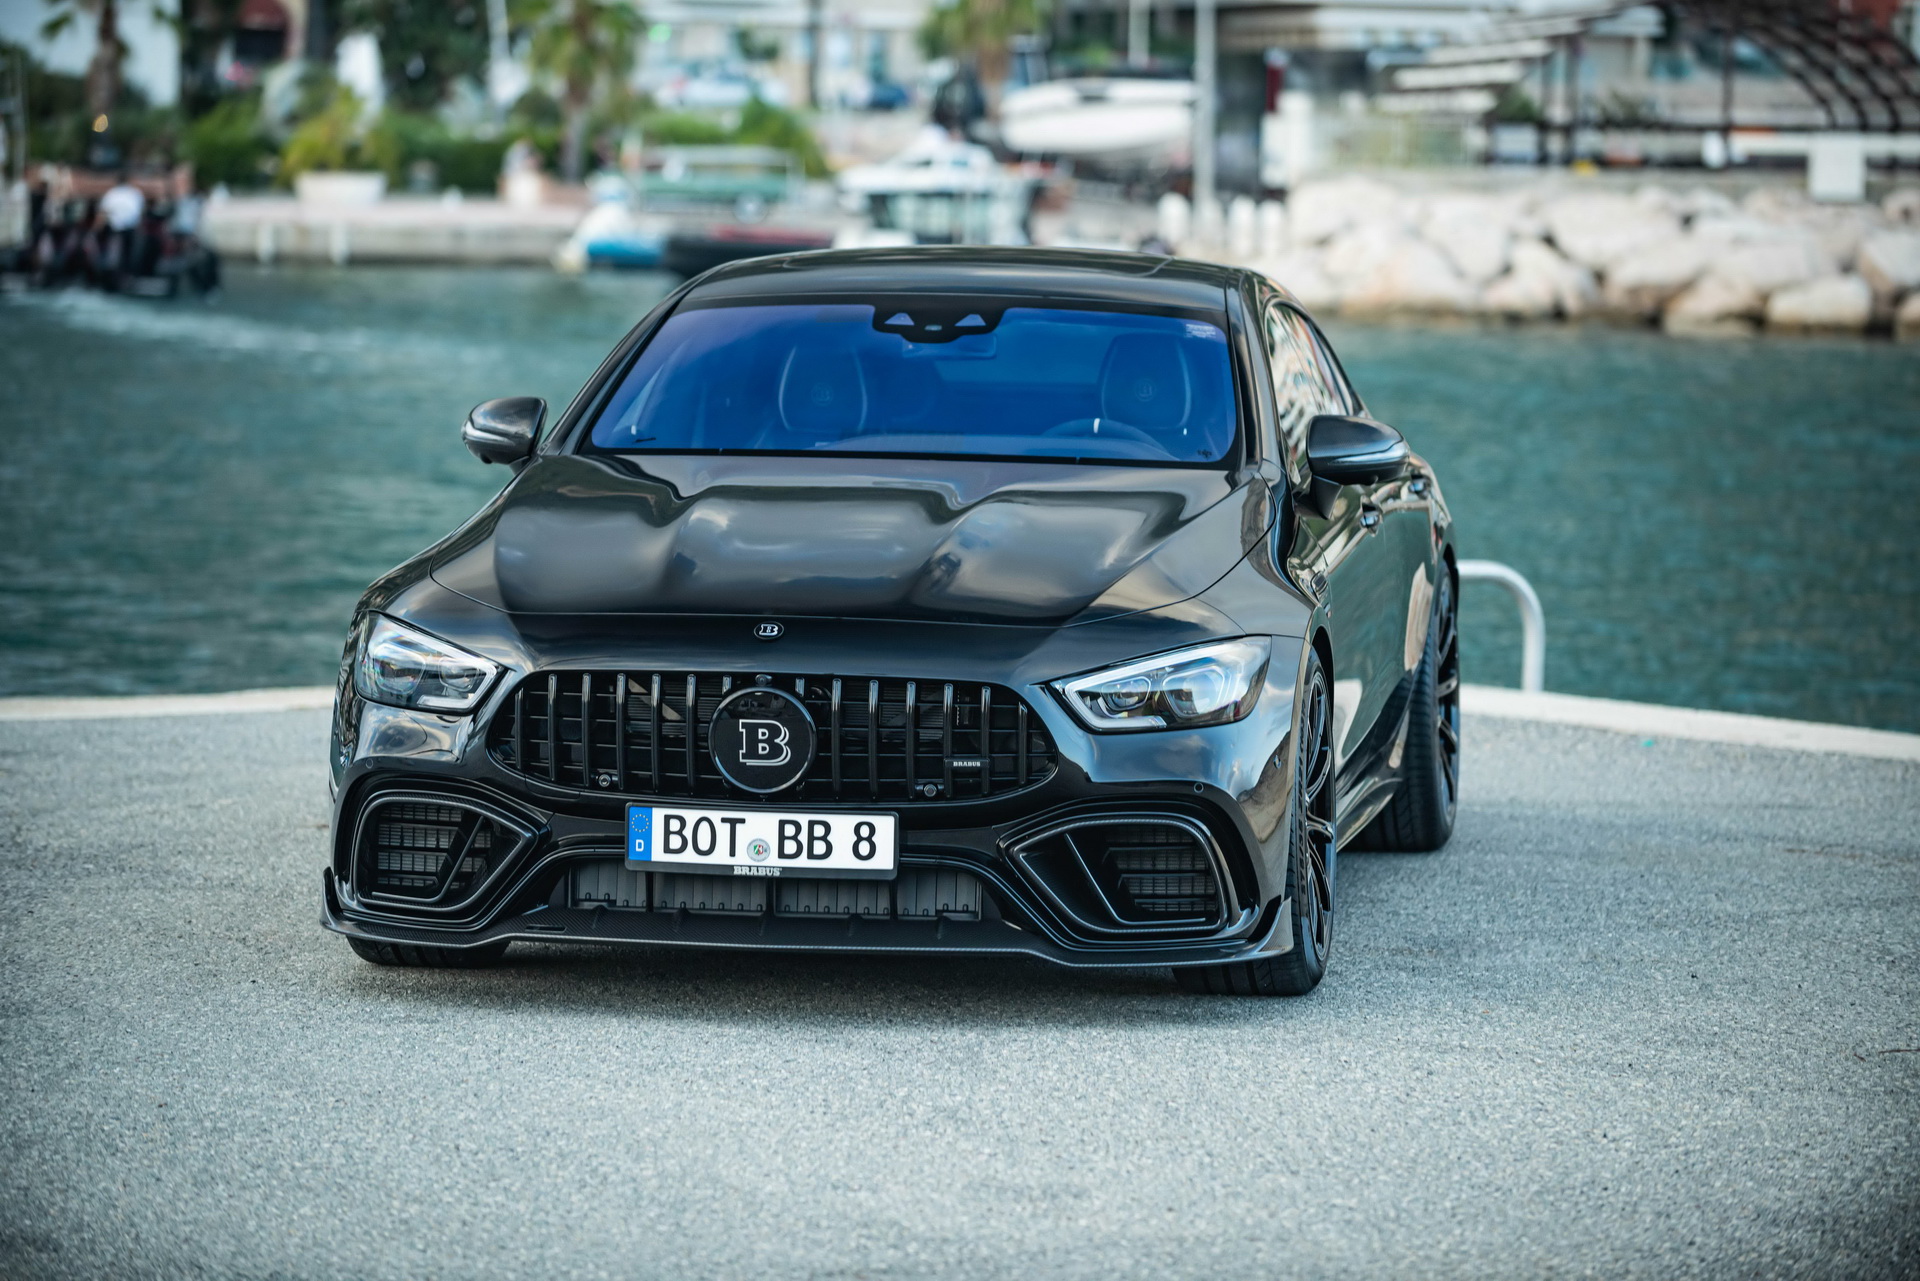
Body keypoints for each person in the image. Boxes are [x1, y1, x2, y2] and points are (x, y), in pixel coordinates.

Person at [98, 171, 145, 289]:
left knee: (114, 255)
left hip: (116, 229)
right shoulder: (135, 193)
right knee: (127, 255)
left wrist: (97, 230)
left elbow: (103, 212)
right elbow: (140, 212)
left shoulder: (112, 194)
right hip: (130, 229)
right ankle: (126, 278)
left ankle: (113, 277)